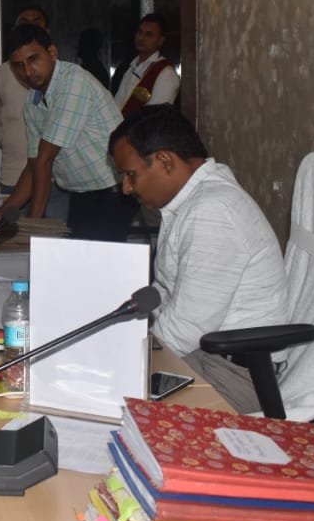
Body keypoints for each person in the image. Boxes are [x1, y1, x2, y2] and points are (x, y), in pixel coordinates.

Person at [109, 105, 289, 413]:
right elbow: (166, 292)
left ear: (165, 161)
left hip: (233, 377)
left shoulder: (213, 212)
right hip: (202, 358)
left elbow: (185, 329)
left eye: (130, 175)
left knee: (107, 400)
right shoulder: (191, 202)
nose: (126, 188)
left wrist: (120, 358)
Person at [1, 22, 133, 241]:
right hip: (81, 195)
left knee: (95, 259)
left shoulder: (73, 82)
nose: (27, 72)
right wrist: (4, 211)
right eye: (18, 65)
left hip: (113, 191)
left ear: (52, 53)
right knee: (75, 257)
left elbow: (45, 159)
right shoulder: (33, 99)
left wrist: (33, 226)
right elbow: (34, 165)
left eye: (33, 59)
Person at [0, 4, 48, 194]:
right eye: (24, 22)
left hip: (55, 178)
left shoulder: (60, 73)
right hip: (14, 175)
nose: (30, 27)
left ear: (47, 31)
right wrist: (14, 143)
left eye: (36, 23)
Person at [113, 13, 180, 117]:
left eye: (149, 34)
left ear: (161, 40)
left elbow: (156, 117)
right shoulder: (130, 67)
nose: (141, 38)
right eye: (139, 32)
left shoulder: (166, 73)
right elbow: (117, 105)